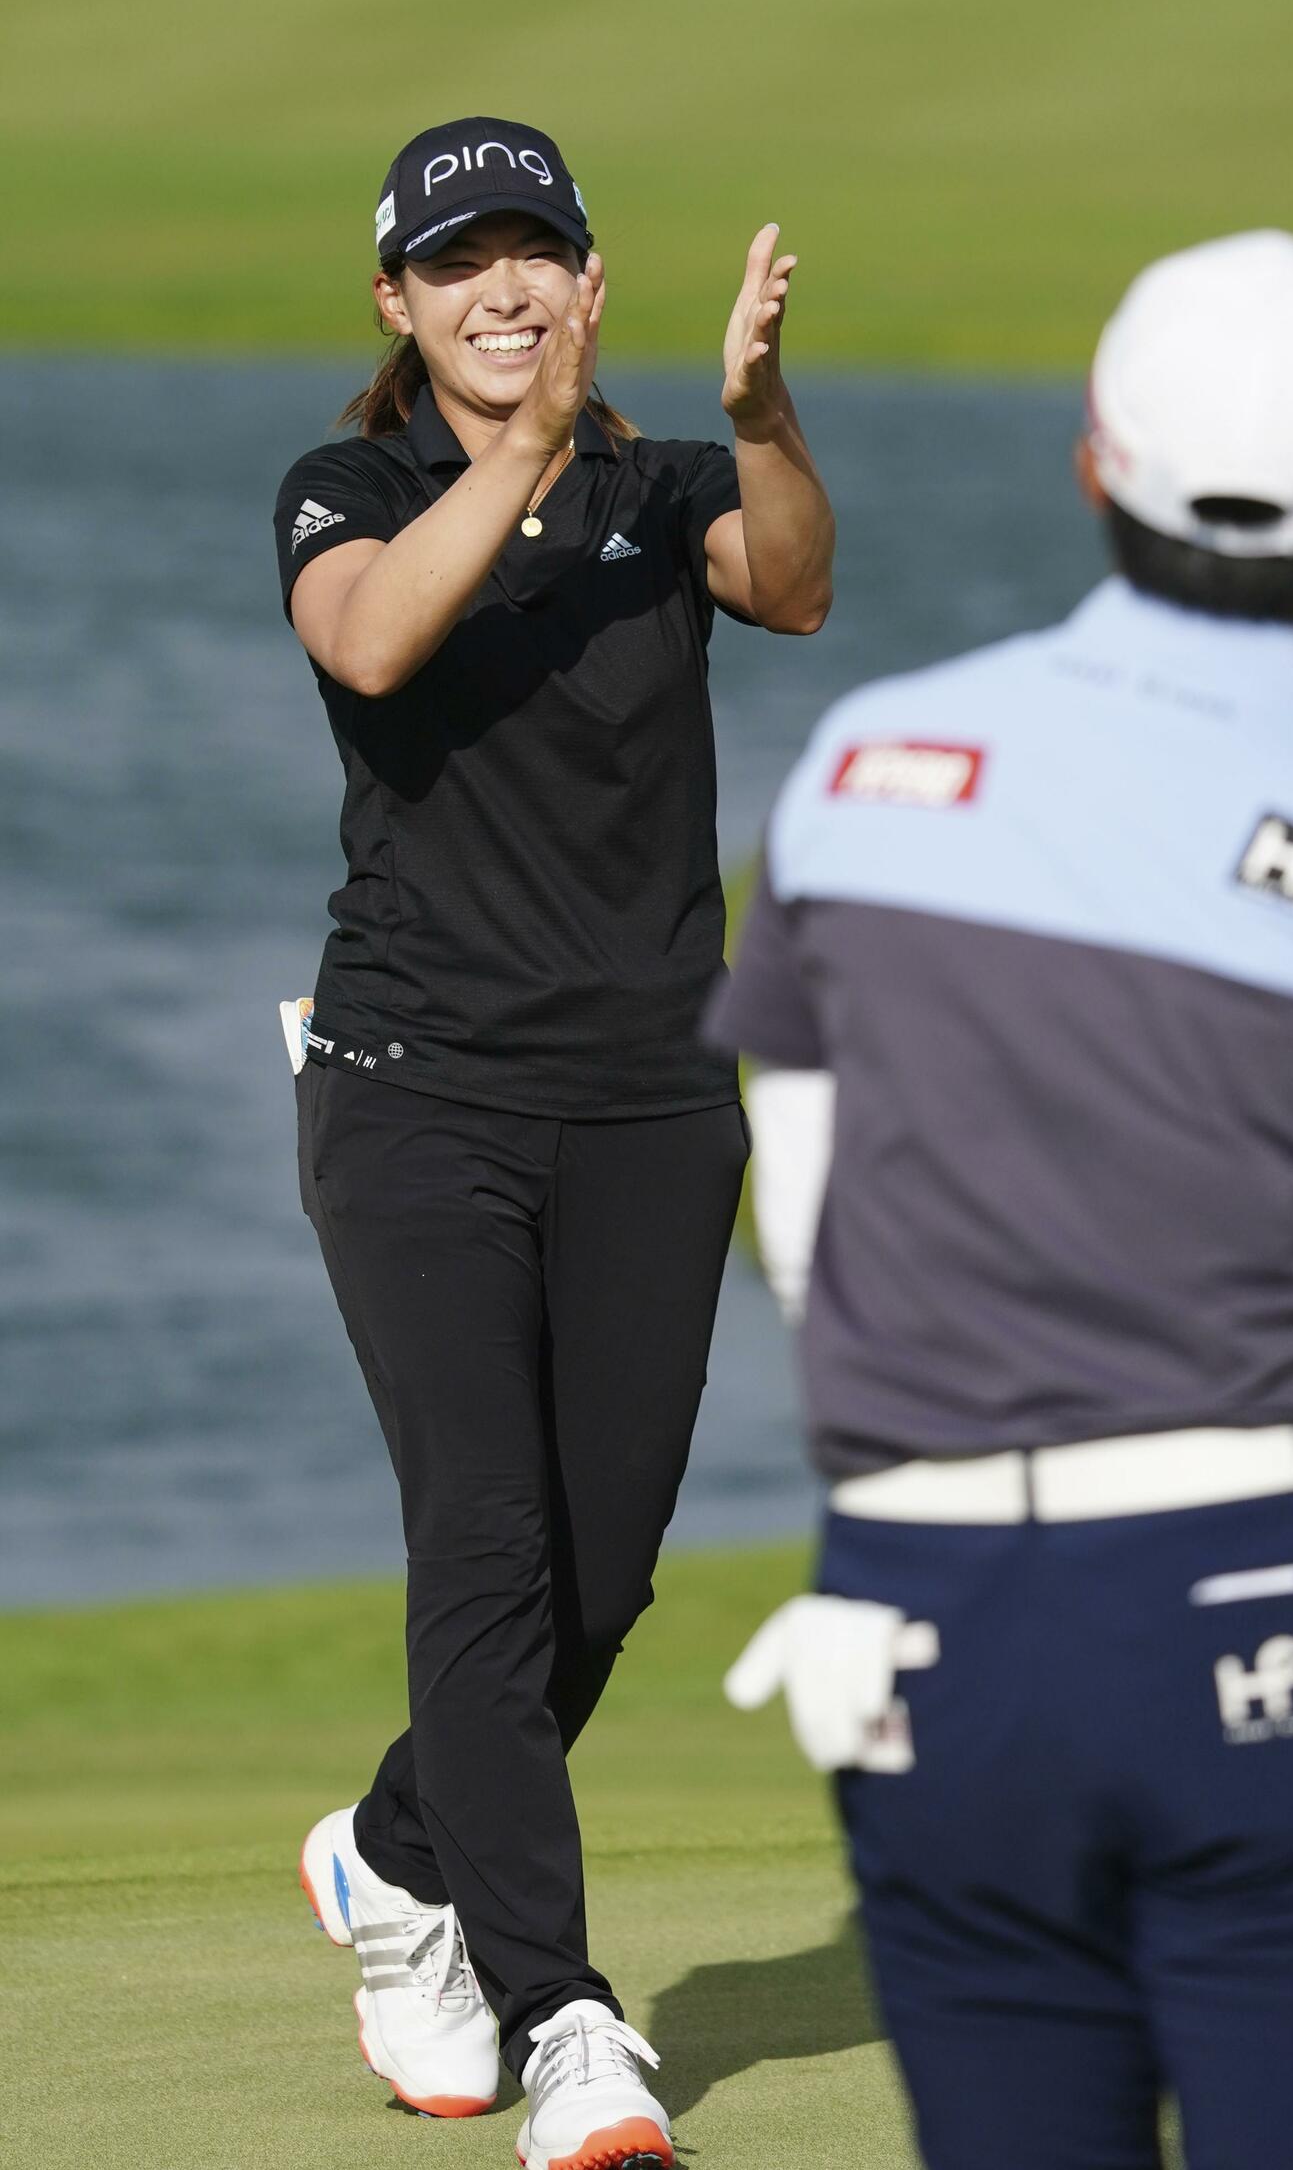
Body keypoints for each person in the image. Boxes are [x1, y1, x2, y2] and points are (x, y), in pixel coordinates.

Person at [710, 231, 1293, 2169]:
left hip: (923, 1614)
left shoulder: (863, 772)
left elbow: (803, 1181)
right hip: (1284, 1598)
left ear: (1094, 461)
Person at [273, 115, 833, 2170]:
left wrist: (757, 421)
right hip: (416, 1089)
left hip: (658, 1103)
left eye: (534, 253)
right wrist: (517, 448)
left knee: (600, 1572)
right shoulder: (349, 489)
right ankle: (567, 2017)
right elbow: (371, 640)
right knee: (489, 1547)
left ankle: (397, 1848)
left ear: (588, 280)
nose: (501, 288)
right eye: (460, 263)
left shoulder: (660, 488)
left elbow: (794, 583)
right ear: (399, 303)